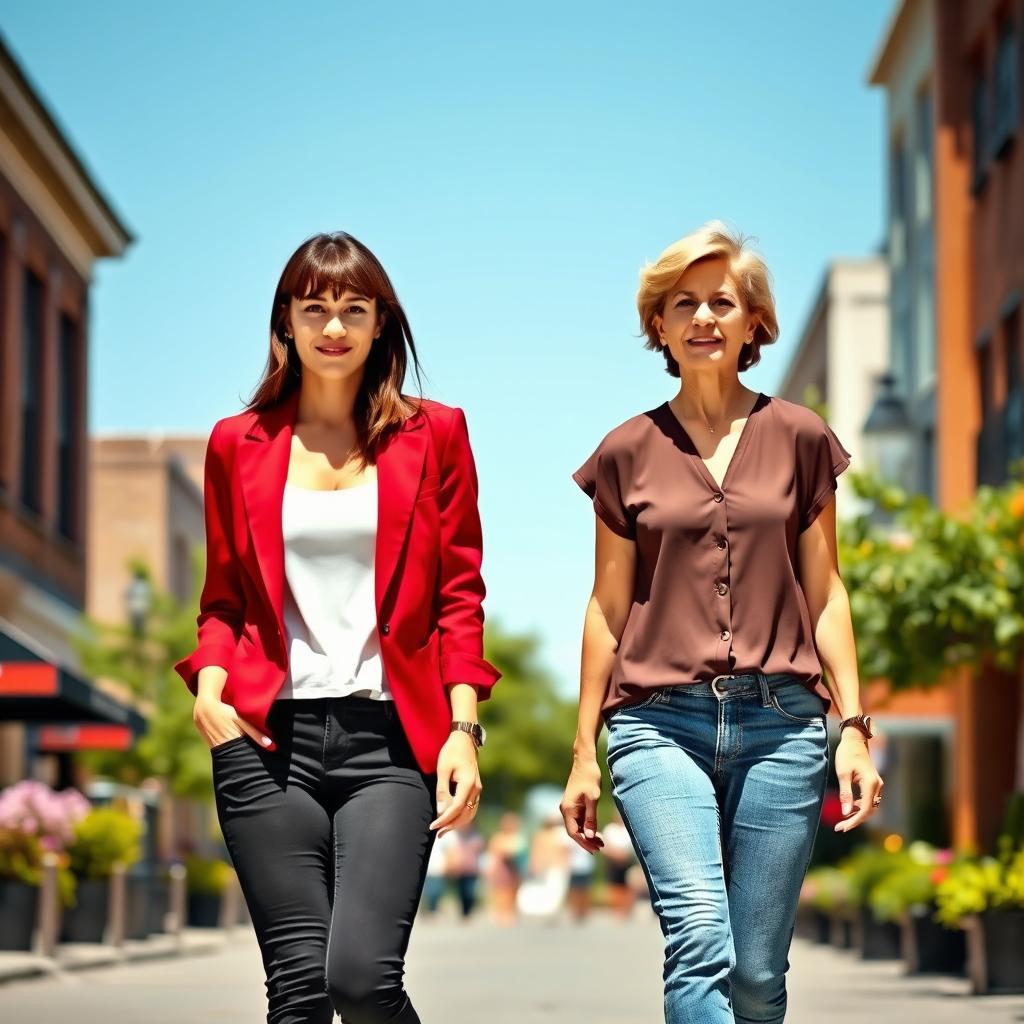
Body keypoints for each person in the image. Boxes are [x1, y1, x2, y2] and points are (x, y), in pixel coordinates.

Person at [560, 221, 884, 1023]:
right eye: (683, 304)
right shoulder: (626, 452)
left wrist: (853, 724)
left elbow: (827, 589)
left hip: (784, 723)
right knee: (700, 938)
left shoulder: (800, 437)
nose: (703, 317)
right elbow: (607, 605)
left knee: (758, 975)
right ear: (659, 327)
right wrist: (582, 753)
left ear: (753, 324)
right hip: (656, 723)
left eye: (721, 302)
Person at [176, 231, 499, 1024]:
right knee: (298, 991)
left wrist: (462, 729)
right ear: (285, 320)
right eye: (314, 308)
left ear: (381, 322)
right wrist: (210, 691)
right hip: (262, 739)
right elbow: (224, 597)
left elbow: (460, 594)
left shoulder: (437, 434)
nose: (333, 327)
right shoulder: (236, 444)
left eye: (354, 309)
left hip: (390, 742)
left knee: (360, 979)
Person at [485, 811, 525, 926]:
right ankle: (501, 913)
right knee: (501, 891)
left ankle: (510, 912)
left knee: (512, 891)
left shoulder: (518, 837)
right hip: (501, 868)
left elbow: (520, 852)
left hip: (514, 868)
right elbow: (494, 854)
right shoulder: (498, 838)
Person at [601, 811, 637, 919]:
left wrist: (624, 855)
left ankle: (626, 909)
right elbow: (604, 844)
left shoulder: (628, 829)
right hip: (613, 861)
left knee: (628, 886)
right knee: (615, 886)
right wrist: (614, 854)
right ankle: (617, 909)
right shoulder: (610, 829)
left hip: (626, 861)